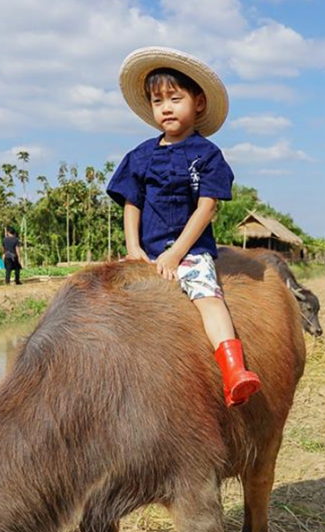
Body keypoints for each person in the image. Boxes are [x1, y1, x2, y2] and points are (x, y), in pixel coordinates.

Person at [106, 46, 261, 407]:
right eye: (158, 101)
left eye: (175, 98)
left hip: (189, 252)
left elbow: (206, 208)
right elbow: (133, 203)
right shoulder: (140, 156)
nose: (166, 107)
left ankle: (233, 370)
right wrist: (134, 250)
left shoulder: (206, 155)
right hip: (146, 252)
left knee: (208, 299)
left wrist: (177, 254)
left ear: (199, 103)